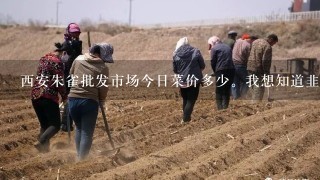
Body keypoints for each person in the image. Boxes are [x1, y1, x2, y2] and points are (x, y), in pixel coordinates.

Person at [68, 43, 113, 160]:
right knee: (86, 132)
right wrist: (102, 101)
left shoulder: (78, 59)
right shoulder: (103, 67)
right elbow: (103, 87)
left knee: (79, 128)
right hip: (89, 101)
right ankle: (82, 160)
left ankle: (79, 156)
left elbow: (71, 74)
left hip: (72, 98)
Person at [31, 43, 68, 153]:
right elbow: (60, 81)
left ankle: (44, 151)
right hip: (48, 96)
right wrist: (64, 96)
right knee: (55, 125)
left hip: (35, 94)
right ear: (63, 53)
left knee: (45, 125)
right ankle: (40, 141)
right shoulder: (57, 62)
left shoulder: (43, 59)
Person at [173, 37, 205, 124]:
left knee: (186, 100)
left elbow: (175, 70)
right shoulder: (195, 51)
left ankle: (186, 118)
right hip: (194, 80)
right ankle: (185, 119)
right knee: (191, 100)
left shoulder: (175, 54)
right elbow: (202, 65)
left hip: (182, 81)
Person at [60, 23, 83, 132]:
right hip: (70, 76)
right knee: (71, 99)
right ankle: (66, 124)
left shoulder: (69, 44)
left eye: (77, 33)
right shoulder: (71, 44)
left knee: (70, 99)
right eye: (74, 33)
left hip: (68, 75)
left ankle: (67, 122)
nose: (76, 35)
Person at [247, 34, 278, 102]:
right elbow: (266, 62)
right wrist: (266, 74)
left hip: (249, 67)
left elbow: (249, 52)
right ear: (271, 40)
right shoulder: (267, 47)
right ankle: (256, 105)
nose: (273, 45)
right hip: (258, 69)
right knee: (259, 88)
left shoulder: (255, 41)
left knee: (253, 87)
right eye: (274, 43)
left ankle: (252, 102)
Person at [208, 36, 235, 110]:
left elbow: (213, 61)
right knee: (226, 89)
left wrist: (215, 71)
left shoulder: (214, 48)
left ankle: (220, 108)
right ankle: (225, 107)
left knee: (219, 89)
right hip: (231, 70)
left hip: (221, 70)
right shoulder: (227, 47)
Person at [231, 34, 258, 99]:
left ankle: (236, 97)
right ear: (252, 40)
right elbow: (249, 58)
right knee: (248, 80)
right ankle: (243, 95)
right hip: (240, 65)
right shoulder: (248, 46)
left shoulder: (238, 41)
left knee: (235, 82)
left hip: (232, 64)